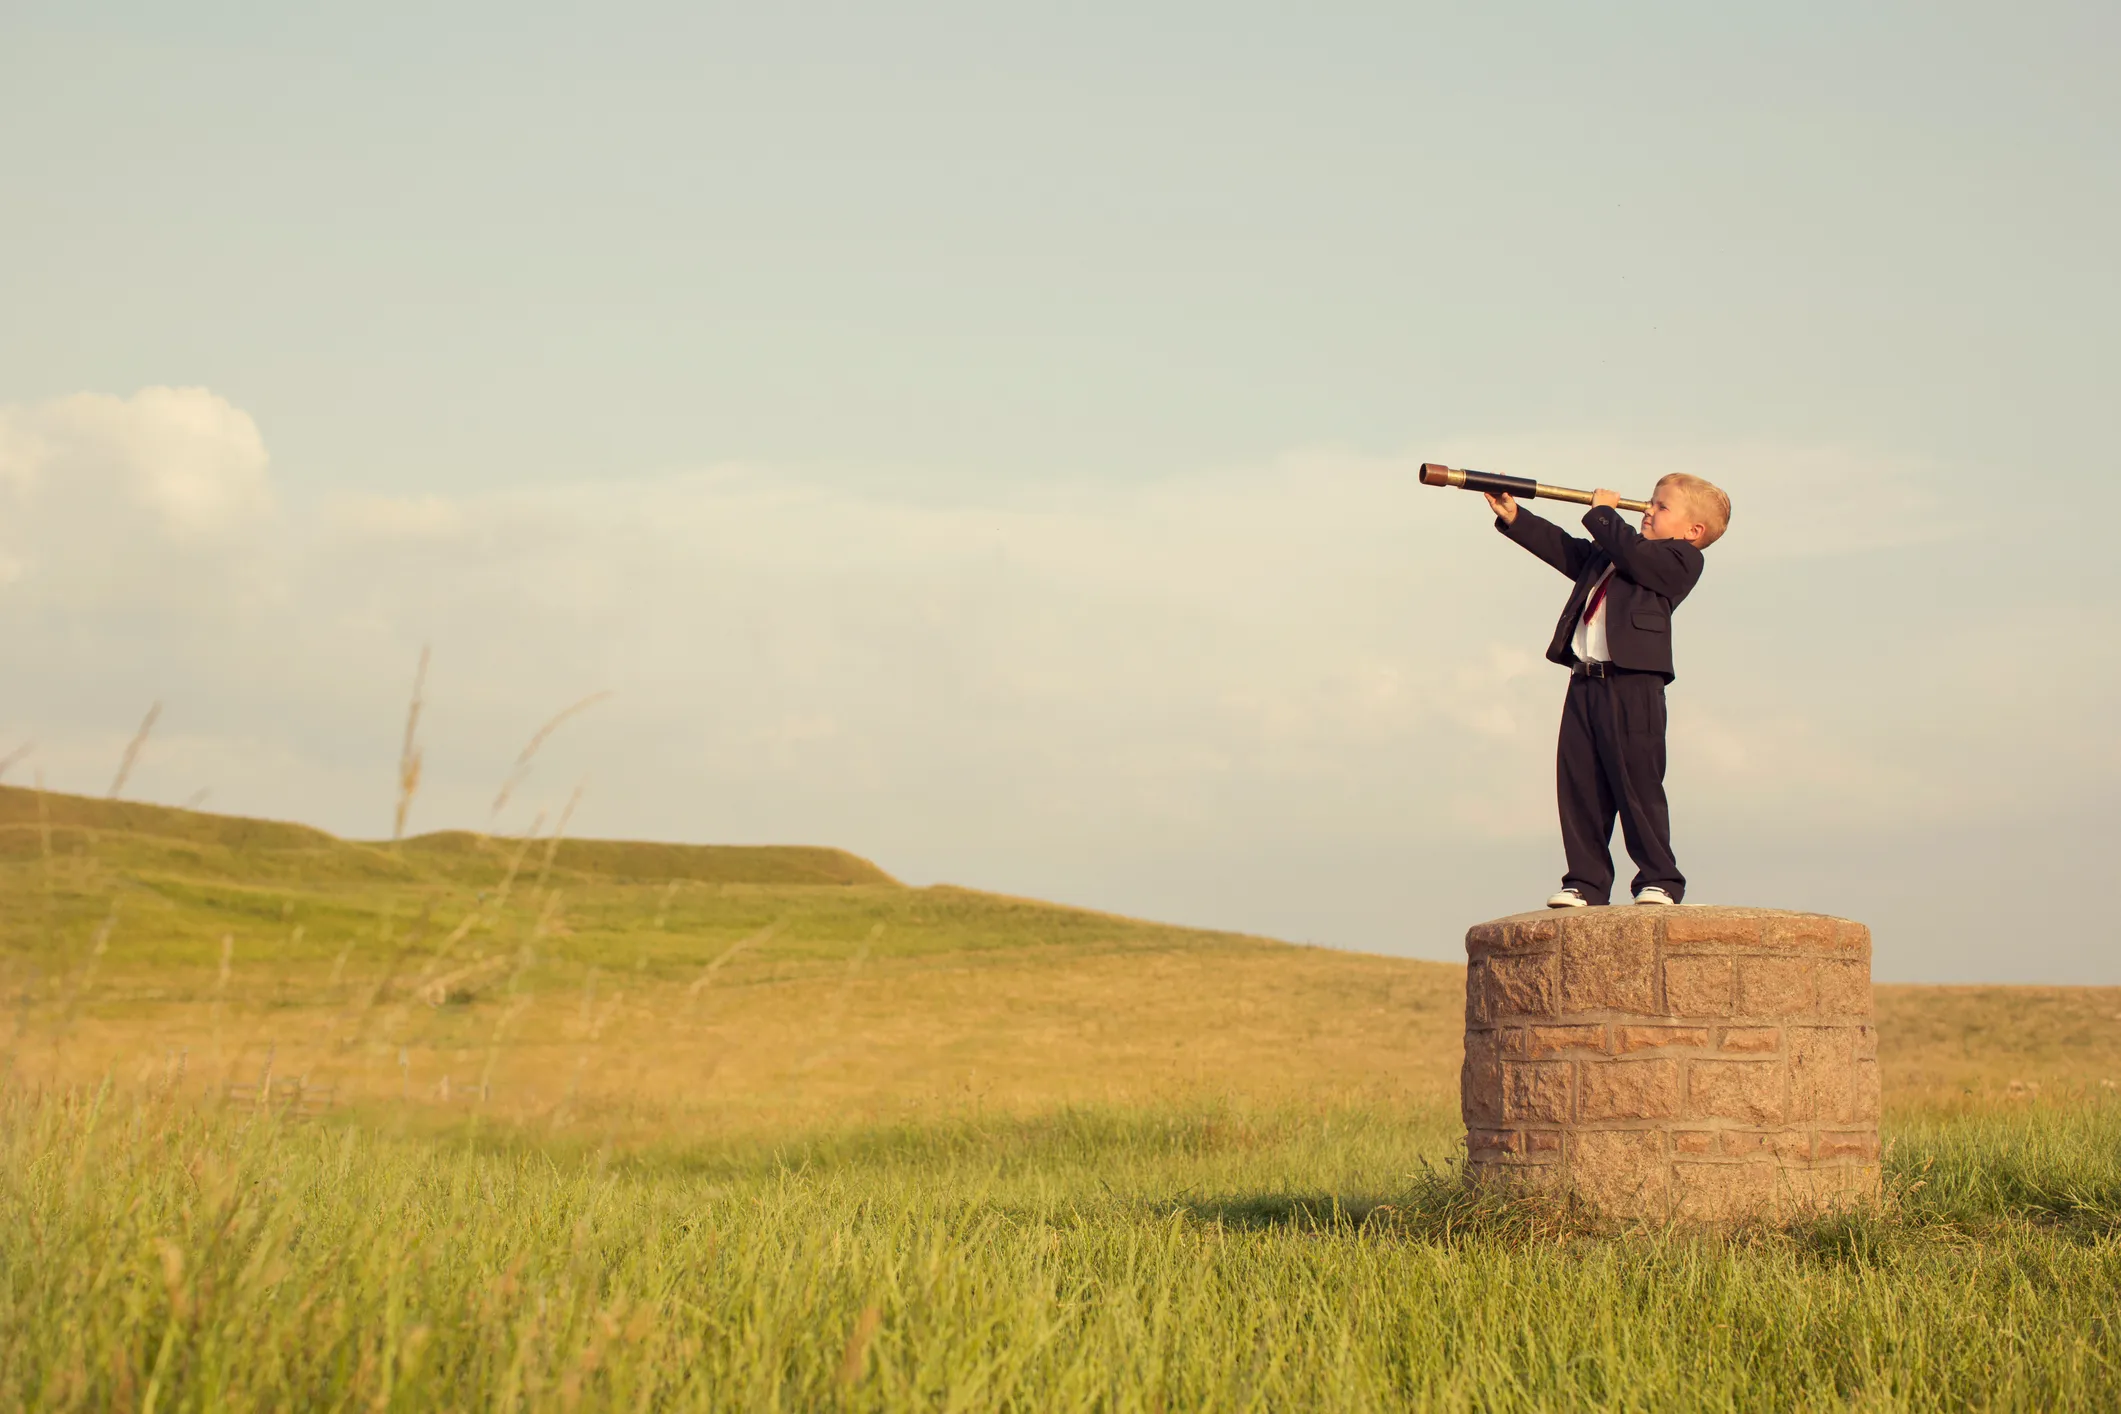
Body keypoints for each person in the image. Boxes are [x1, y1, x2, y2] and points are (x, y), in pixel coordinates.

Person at [1483, 474, 1731, 908]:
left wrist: (1603, 513)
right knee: (1580, 785)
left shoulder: (1679, 561)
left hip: (1633, 685)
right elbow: (1569, 550)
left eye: (1661, 506)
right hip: (1585, 681)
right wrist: (1517, 518)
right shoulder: (1615, 552)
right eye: (1650, 502)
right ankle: (1586, 882)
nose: (1648, 510)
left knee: (1637, 782)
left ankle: (1660, 878)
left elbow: (1635, 556)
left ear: (1694, 531)